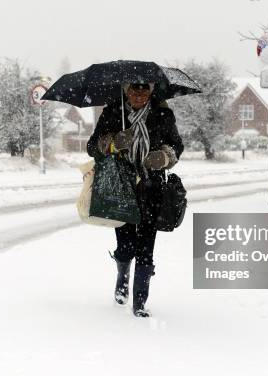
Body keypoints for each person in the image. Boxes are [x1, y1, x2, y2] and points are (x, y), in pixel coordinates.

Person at [86, 82, 184, 317]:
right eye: (133, 90)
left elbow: (176, 146)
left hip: (152, 188)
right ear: (126, 91)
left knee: (146, 247)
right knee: (126, 244)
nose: (139, 95)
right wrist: (112, 143)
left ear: (151, 91)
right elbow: (92, 147)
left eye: (144, 91)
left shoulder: (163, 114)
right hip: (122, 187)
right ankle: (122, 278)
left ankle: (139, 302)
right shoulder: (113, 112)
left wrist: (164, 157)